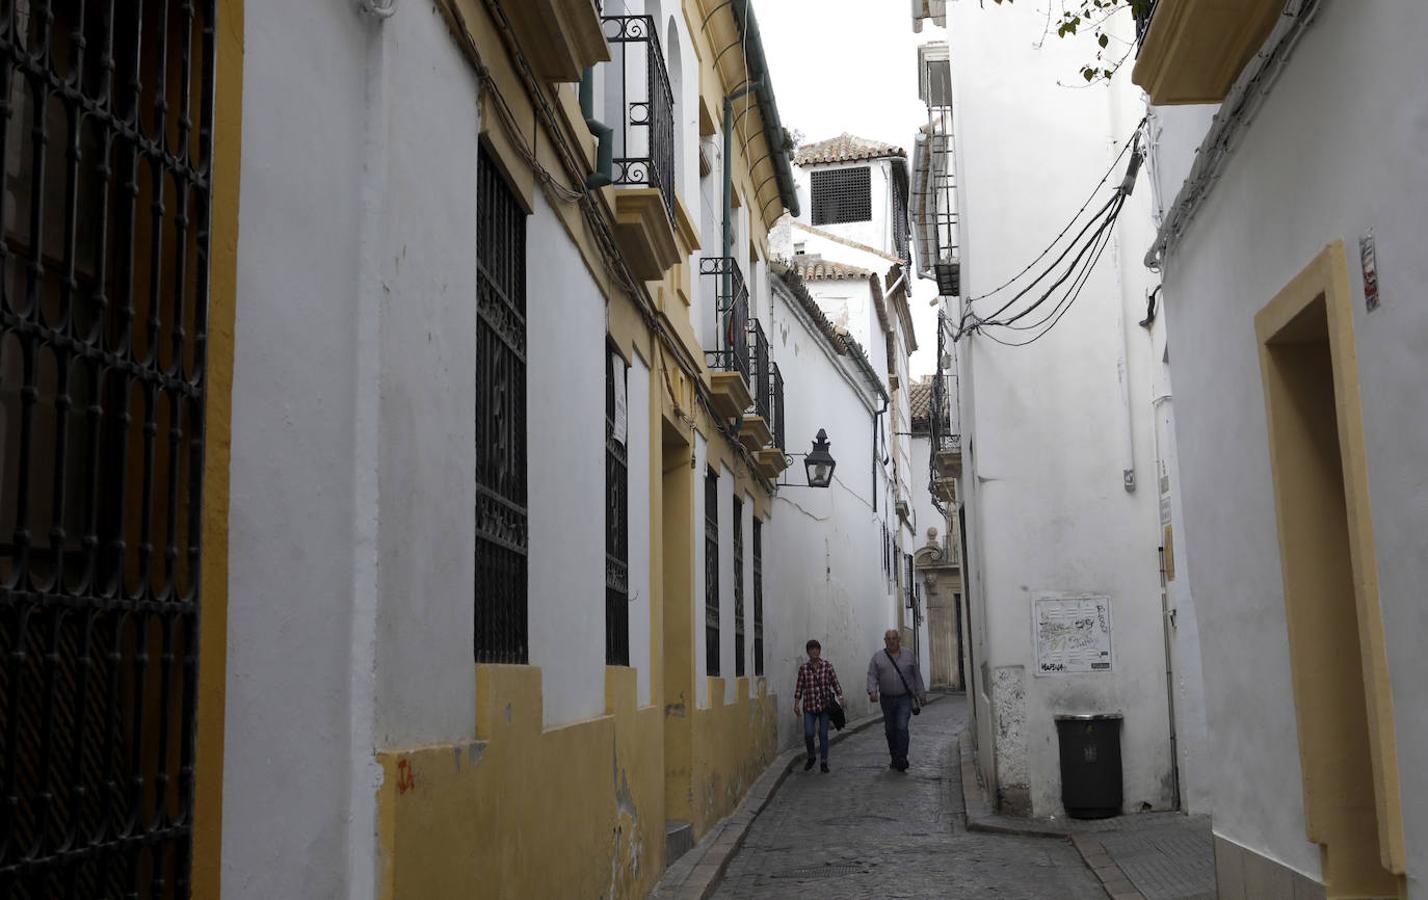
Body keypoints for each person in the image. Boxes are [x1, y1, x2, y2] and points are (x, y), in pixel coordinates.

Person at [866, 629, 928, 772]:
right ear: (885, 641)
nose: (892, 641)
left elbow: (916, 676)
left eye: (894, 638)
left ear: (899, 639)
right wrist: (872, 690)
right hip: (886, 699)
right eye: (888, 639)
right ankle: (894, 756)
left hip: (904, 698)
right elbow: (872, 675)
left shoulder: (909, 655)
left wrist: (921, 694)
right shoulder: (878, 657)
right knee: (890, 729)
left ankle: (902, 757)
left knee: (901, 727)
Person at [793, 639, 844, 773]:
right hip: (809, 707)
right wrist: (796, 703)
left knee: (823, 734)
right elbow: (799, 687)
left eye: (816, 649)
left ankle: (824, 761)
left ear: (819, 651)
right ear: (808, 652)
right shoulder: (803, 669)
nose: (814, 651)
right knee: (809, 734)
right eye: (811, 649)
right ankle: (811, 756)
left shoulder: (827, 666)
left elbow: (835, 682)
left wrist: (840, 696)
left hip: (824, 707)